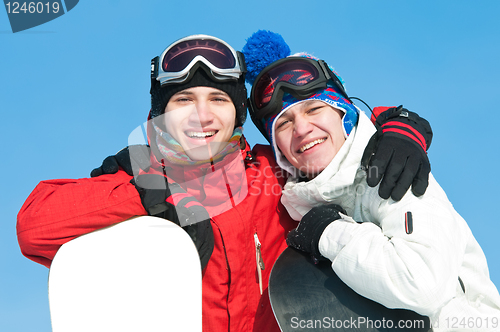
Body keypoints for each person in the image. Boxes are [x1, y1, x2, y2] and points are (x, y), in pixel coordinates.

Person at [17, 34, 433, 331]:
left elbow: (330, 131)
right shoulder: (133, 174)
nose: (202, 115)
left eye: (218, 100)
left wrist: (398, 125)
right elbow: (34, 226)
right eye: (183, 101)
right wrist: (152, 196)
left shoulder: (275, 170)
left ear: (237, 113)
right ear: (161, 115)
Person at [244, 31, 500, 330]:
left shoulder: (392, 166)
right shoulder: (297, 204)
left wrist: (329, 232)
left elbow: (424, 285)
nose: (302, 129)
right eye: (284, 123)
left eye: (314, 109)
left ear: (344, 113)